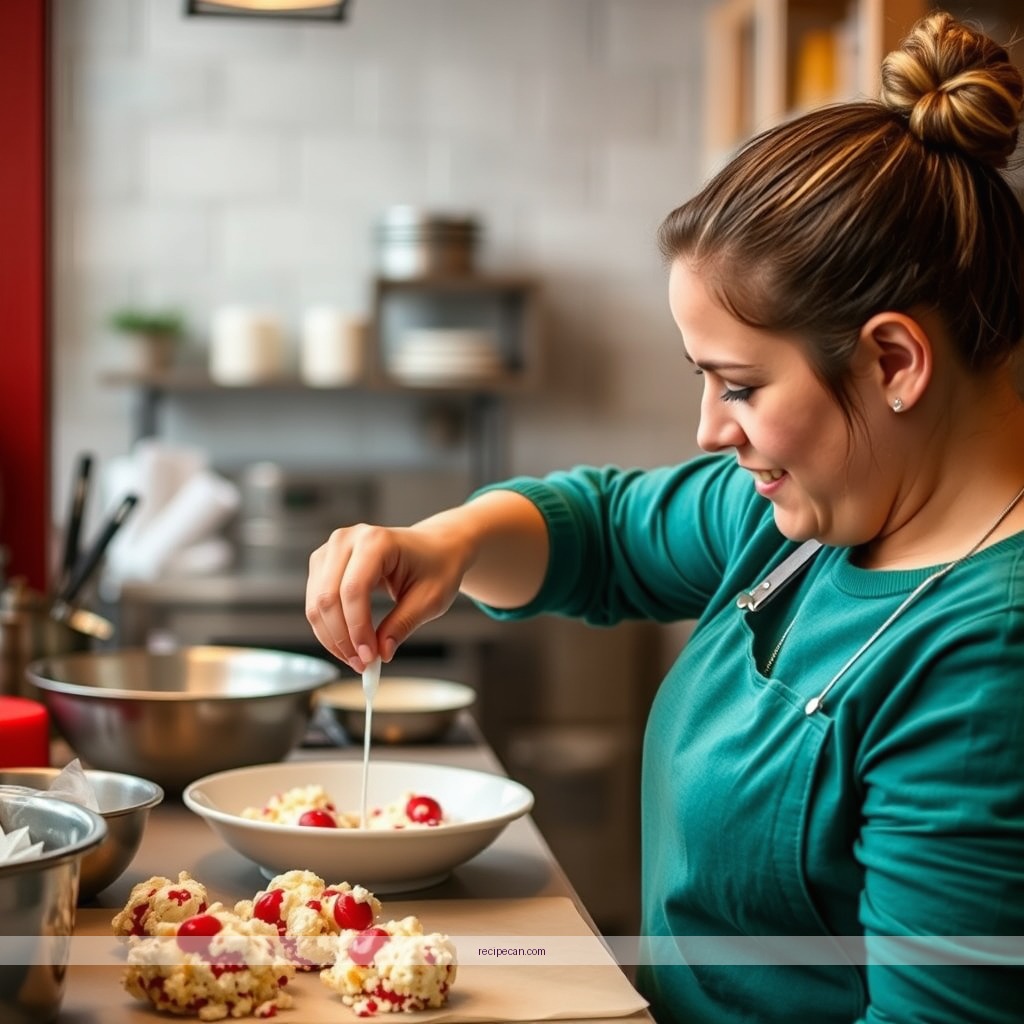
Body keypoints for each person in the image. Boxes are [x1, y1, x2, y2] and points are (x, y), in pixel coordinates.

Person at [306, 11, 1024, 1023]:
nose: (708, 430)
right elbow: (599, 530)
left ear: (893, 362)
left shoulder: (985, 664)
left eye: (739, 385)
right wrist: (445, 542)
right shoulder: (808, 514)